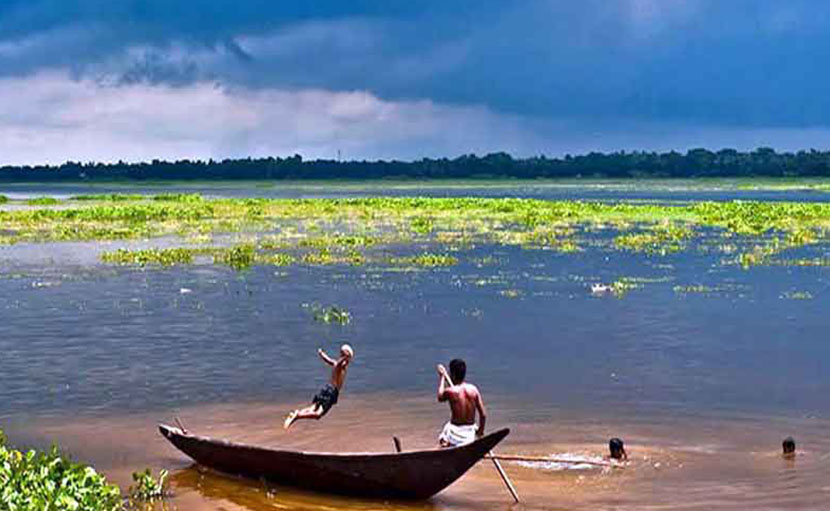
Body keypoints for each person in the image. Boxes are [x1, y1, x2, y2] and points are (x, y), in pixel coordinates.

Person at [284, 344, 354, 430]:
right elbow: (340, 362)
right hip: (331, 392)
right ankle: (298, 415)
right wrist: (346, 356)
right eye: (348, 358)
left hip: (327, 389)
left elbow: (327, 360)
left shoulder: (336, 364)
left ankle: (296, 413)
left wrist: (321, 354)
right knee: (318, 414)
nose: (349, 361)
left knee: (312, 408)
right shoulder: (340, 365)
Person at [436, 358, 487, 447]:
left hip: (455, 433)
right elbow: (483, 415)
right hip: (470, 432)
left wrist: (442, 377)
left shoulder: (450, 391)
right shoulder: (474, 390)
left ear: (453, 375)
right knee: (446, 429)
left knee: (443, 436)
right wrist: (480, 432)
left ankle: (446, 446)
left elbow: (440, 397)